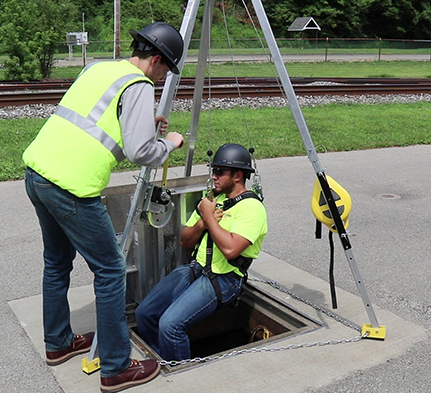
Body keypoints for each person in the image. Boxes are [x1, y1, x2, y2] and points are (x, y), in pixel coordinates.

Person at [23, 22, 185, 393]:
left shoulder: (99, 67)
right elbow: (140, 151)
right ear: (157, 60)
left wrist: (144, 124)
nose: (162, 79)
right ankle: (115, 367)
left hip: (37, 172)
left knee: (56, 263)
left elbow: (96, 121)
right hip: (71, 187)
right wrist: (170, 143)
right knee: (111, 272)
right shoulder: (140, 84)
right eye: (166, 71)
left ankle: (58, 343)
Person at [135, 143, 268, 361]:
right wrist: (203, 224)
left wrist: (207, 217)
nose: (213, 176)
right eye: (212, 170)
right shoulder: (214, 200)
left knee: (170, 325)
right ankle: (161, 358)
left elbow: (230, 250)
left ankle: (181, 371)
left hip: (225, 279)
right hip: (197, 269)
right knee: (144, 313)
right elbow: (185, 241)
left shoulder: (252, 209)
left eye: (219, 171)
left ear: (237, 176)